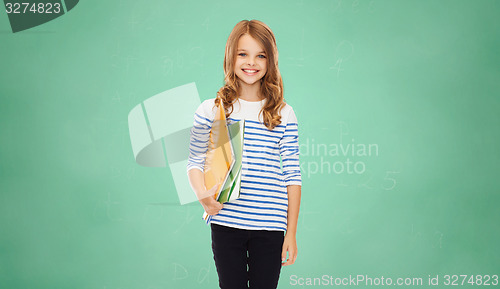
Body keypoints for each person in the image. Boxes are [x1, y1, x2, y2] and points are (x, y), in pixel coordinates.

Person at [186, 19, 302, 289]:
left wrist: (291, 232)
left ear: (270, 61)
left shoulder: (284, 113)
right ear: (231, 57)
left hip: (271, 226)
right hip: (226, 221)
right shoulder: (211, 110)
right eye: (243, 54)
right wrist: (202, 196)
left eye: (261, 55)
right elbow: (193, 162)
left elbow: (292, 175)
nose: (251, 62)